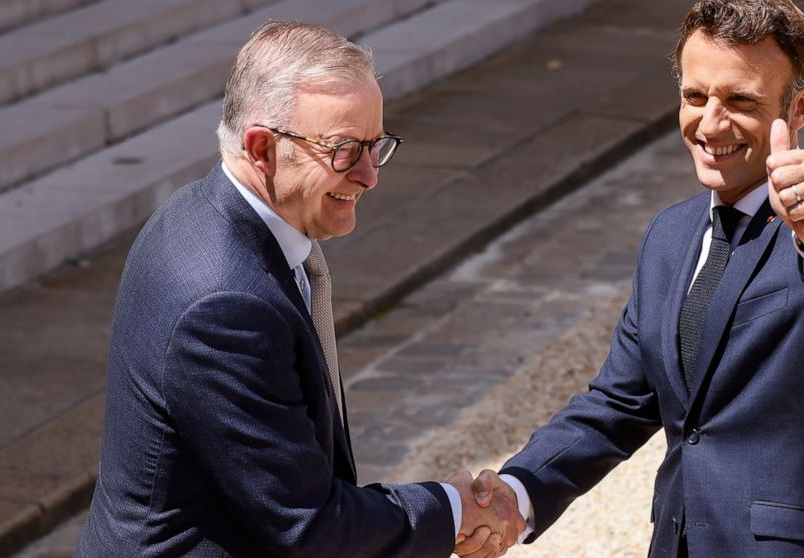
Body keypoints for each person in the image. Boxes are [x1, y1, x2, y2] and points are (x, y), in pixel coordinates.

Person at [467, 1, 804, 556]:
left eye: (740, 101)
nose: (710, 124)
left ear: (800, 106)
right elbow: (619, 402)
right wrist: (517, 493)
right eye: (695, 97)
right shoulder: (669, 236)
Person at [76, 21, 521, 557]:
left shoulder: (197, 210)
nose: (368, 175)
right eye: (342, 149)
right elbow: (308, 522)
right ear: (261, 148)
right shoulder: (226, 306)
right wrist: (452, 510)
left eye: (375, 145)